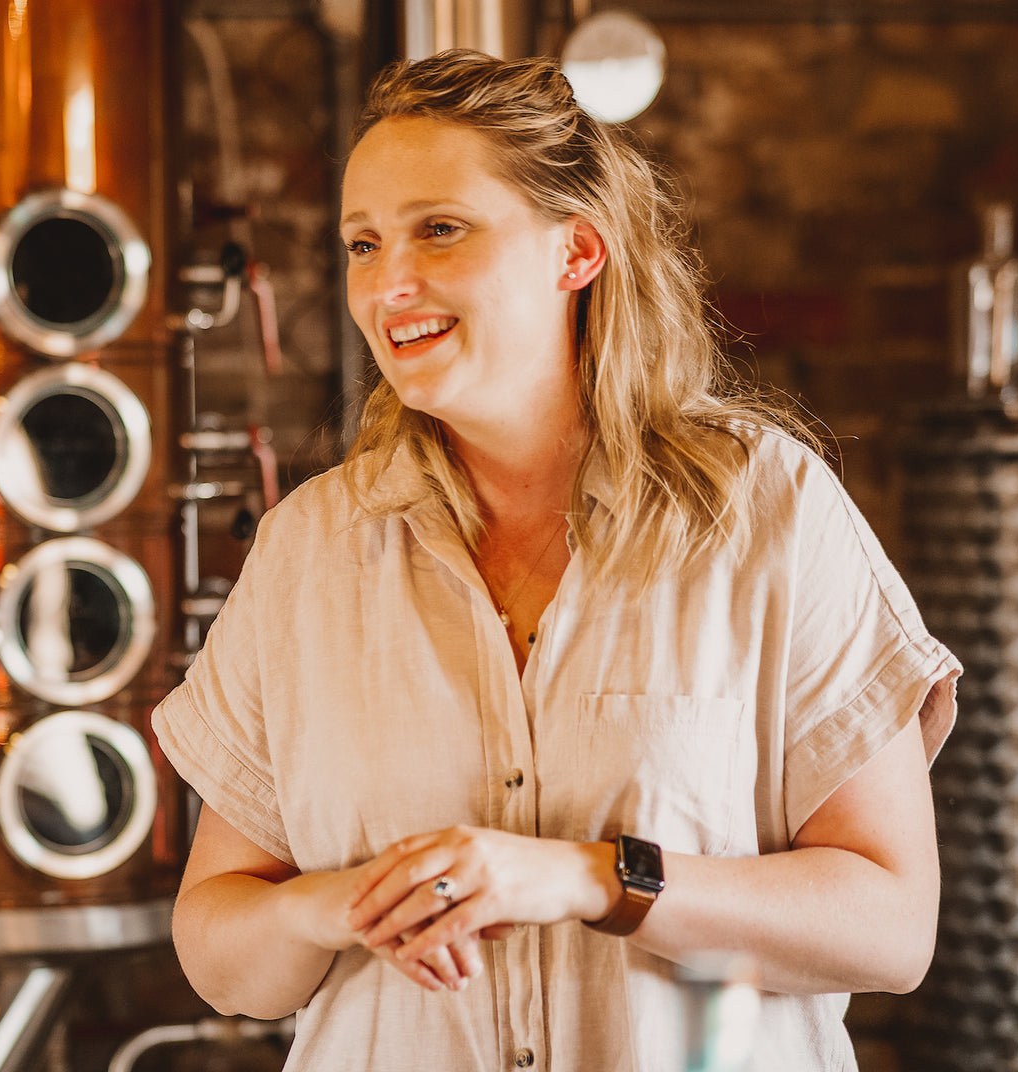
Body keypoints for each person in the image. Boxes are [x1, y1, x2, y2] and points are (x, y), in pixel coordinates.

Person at [150, 49, 960, 1071]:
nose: (390, 281)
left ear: (576, 252)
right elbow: (222, 957)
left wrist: (589, 879)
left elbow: (890, 929)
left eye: (439, 228)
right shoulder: (311, 548)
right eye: (363, 242)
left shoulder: (766, 510)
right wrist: (349, 904)